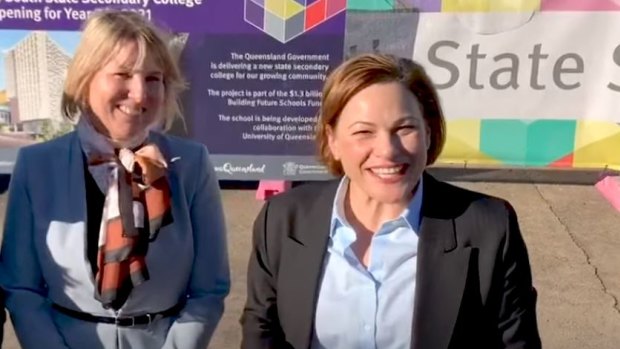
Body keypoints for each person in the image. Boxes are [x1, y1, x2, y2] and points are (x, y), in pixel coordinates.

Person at [240, 53, 541, 349]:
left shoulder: (488, 227)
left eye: (404, 128)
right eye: (363, 132)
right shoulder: (283, 220)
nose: (387, 149)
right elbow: (261, 330)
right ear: (332, 139)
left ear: (428, 132)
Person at [0, 10, 230, 349]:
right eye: (123, 74)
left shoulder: (192, 164)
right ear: (84, 79)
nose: (139, 94)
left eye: (153, 79)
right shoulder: (37, 165)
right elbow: (21, 288)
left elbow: (209, 289)